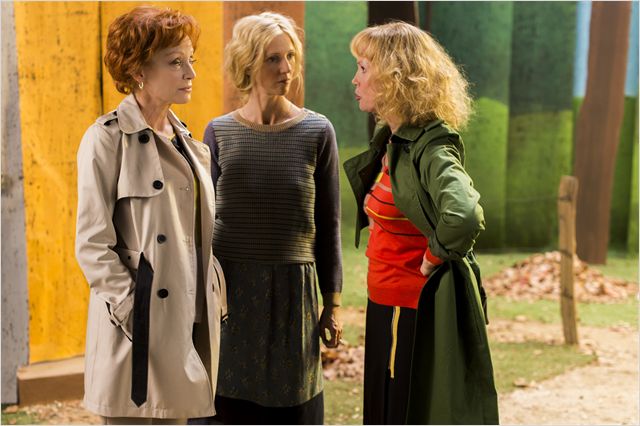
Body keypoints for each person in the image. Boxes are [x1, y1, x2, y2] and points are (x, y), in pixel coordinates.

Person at [75, 6, 226, 424]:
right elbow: (92, 245)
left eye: (191, 60)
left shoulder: (190, 144)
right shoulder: (106, 140)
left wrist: (213, 288)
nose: (190, 73)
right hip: (136, 334)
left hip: (186, 322)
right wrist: (133, 310)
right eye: (176, 62)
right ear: (138, 70)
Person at [344, 21, 499, 424]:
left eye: (363, 68)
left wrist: (433, 256)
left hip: (411, 306)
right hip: (385, 302)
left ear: (394, 77)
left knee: (401, 412)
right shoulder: (394, 138)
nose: (355, 79)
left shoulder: (431, 147)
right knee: (383, 410)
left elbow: (464, 214)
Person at [200, 11, 342, 425]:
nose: (286, 69)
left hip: (292, 294)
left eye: (290, 56)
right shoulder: (218, 133)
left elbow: (329, 225)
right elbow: (202, 223)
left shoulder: (317, 131)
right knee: (225, 406)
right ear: (248, 63)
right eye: (273, 58)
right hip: (229, 294)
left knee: (293, 407)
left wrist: (332, 304)